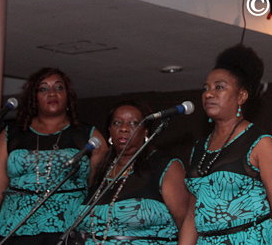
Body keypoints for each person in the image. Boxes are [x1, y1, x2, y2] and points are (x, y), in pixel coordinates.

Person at [179, 45, 272, 245]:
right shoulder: (199, 148)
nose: (209, 94)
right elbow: (192, 213)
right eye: (206, 88)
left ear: (241, 96)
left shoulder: (260, 143)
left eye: (219, 87)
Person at [0, 67, 107, 245]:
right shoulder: (10, 134)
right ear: (34, 98)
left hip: (68, 233)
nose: (52, 93)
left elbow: (97, 189)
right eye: (43, 89)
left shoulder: (89, 135)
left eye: (59, 87)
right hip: (15, 232)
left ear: (68, 95)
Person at [75, 102, 189, 244]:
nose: (124, 128)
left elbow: (186, 222)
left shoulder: (165, 166)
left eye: (134, 123)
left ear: (145, 131)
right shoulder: (101, 170)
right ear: (109, 130)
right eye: (117, 123)